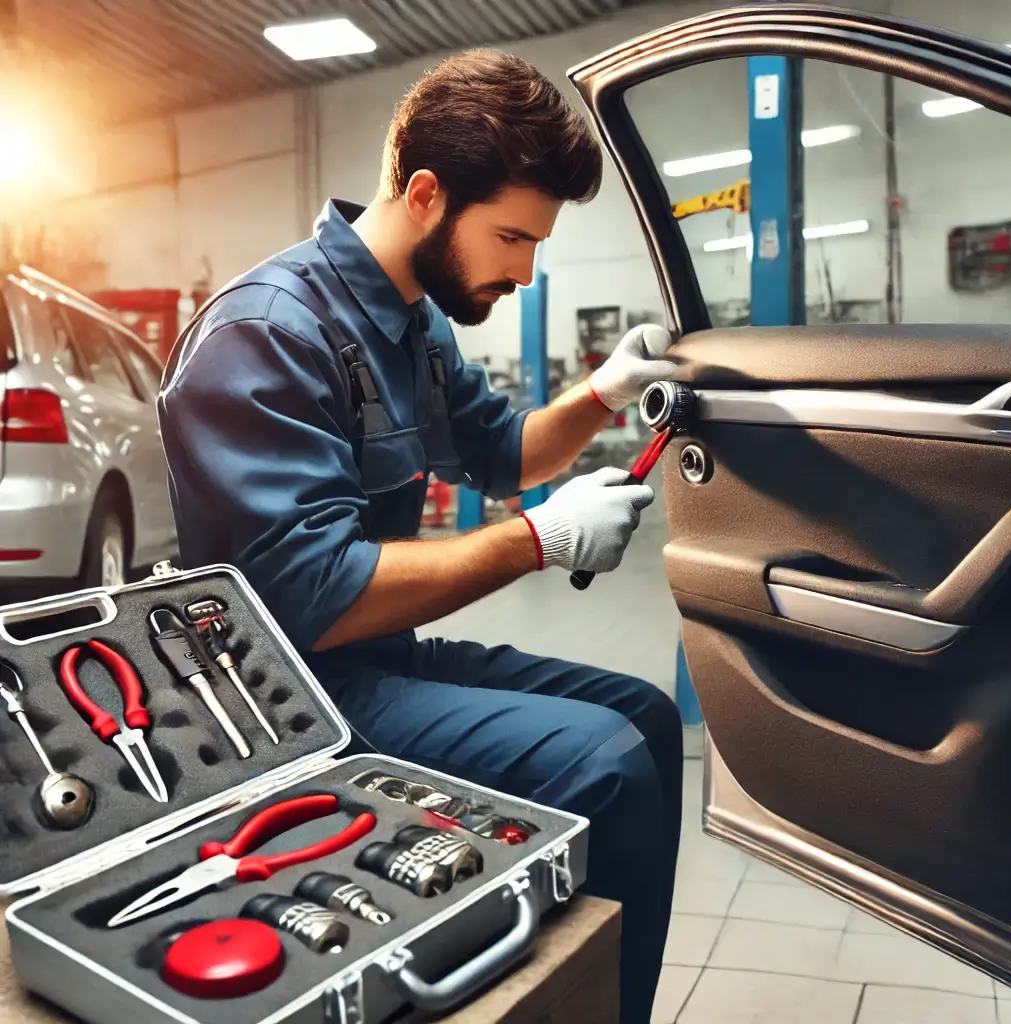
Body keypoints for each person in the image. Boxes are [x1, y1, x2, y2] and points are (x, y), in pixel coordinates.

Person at [159, 48, 683, 1024]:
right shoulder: (268, 331)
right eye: (512, 237)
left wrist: (603, 392)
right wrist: (539, 541)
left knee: (648, 718)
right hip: (285, 695)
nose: (526, 271)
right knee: (600, 760)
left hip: (373, 660)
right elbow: (312, 594)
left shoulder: (409, 323)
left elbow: (504, 452)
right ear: (428, 192)